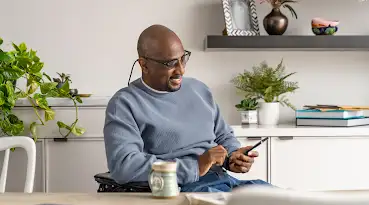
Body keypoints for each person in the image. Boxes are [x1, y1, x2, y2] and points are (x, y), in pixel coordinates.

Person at [103, 24, 272, 192]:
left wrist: (234, 156)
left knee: (282, 198)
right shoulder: (124, 104)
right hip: (180, 189)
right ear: (144, 65)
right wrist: (195, 166)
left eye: (183, 59)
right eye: (170, 63)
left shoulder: (199, 90)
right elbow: (124, 166)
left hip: (223, 180)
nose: (181, 70)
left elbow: (223, 135)